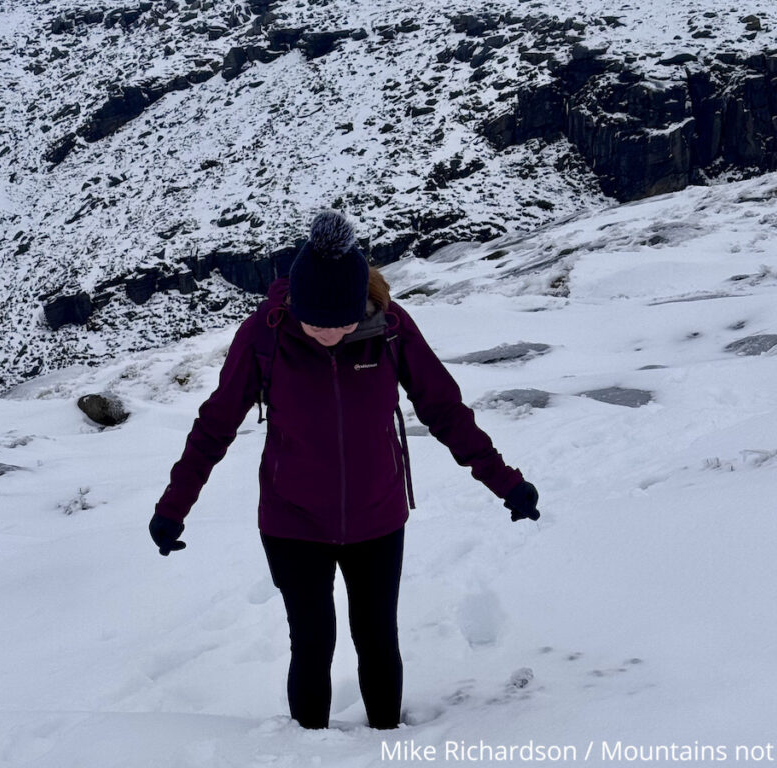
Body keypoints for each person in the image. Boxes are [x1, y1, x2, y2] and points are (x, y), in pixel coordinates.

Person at [149, 210, 540, 730]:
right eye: (314, 323)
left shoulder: (393, 331)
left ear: (362, 306)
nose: (327, 335)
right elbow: (214, 425)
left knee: (378, 637)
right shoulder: (264, 337)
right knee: (311, 642)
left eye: (341, 324)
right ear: (295, 306)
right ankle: (303, 753)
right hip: (292, 522)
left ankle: (388, 745)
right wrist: (173, 507)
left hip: (377, 517)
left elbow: (444, 410)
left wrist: (506, 483)